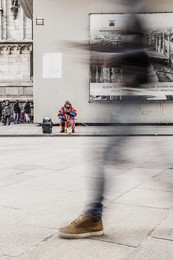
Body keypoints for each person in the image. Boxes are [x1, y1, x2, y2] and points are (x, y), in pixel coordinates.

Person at [58, 0, 149, 239]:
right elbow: (131, 49)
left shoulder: (134, 12)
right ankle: (93, 215)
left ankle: (93, 217)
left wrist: (111, 57)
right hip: (123, 101)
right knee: (125, 158)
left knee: (104, 155)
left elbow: (140, 52)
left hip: (128, 101)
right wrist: (93, 47)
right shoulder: (131, 13)